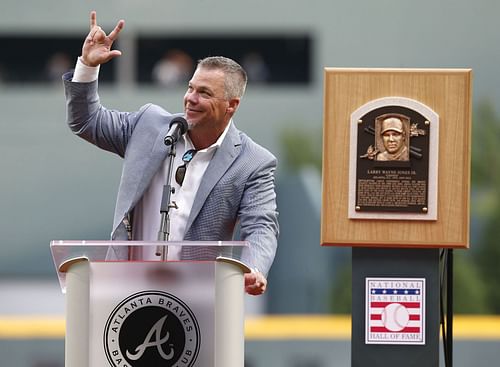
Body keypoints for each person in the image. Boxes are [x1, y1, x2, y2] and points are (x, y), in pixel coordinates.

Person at [62, 11, 279, 296]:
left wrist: (254, 268)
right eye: (190, 87)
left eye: (204, 92)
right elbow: (86, 122)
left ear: (231, 105)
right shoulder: (149, 125)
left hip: (197, 300)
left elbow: (262, 225)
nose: (190, 98)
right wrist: (88, 67)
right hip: (125, 292)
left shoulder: (253, 162)